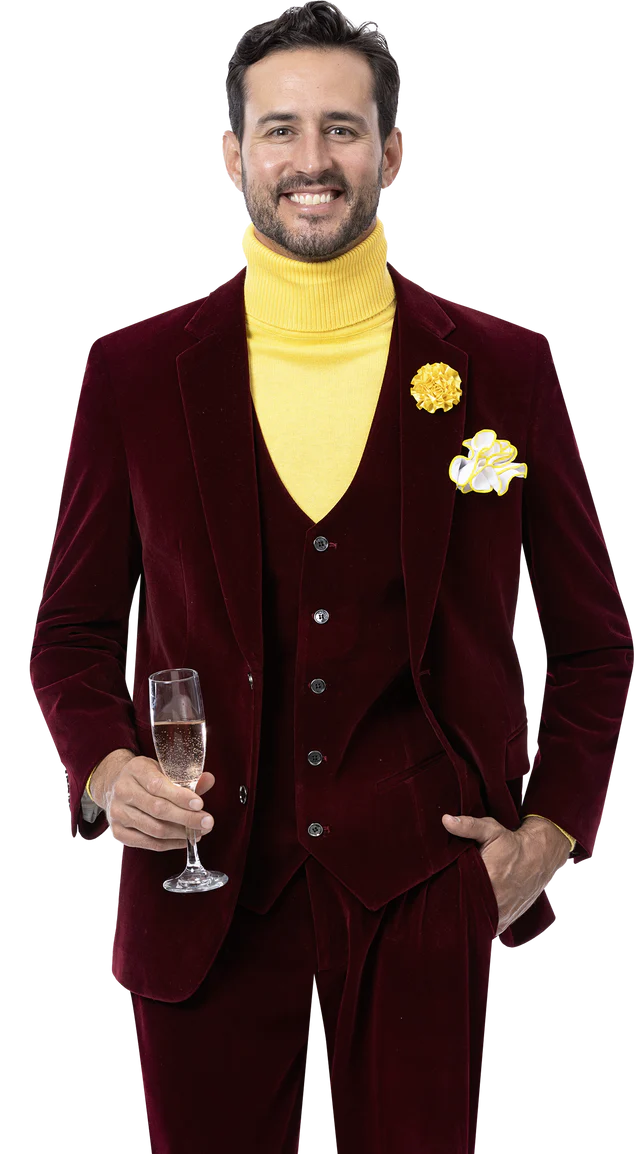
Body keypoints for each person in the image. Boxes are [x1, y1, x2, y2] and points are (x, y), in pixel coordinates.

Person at [27, 4, 635, 1153]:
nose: (311, 160)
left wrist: (554, 828)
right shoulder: (134, 371)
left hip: (423, 885)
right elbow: (71, 628)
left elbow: (592, 638)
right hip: (200, 888)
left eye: (343, 129)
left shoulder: (503, 365)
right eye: (281, 129)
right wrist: (105, 766)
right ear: (231, 153)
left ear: (392, 150)